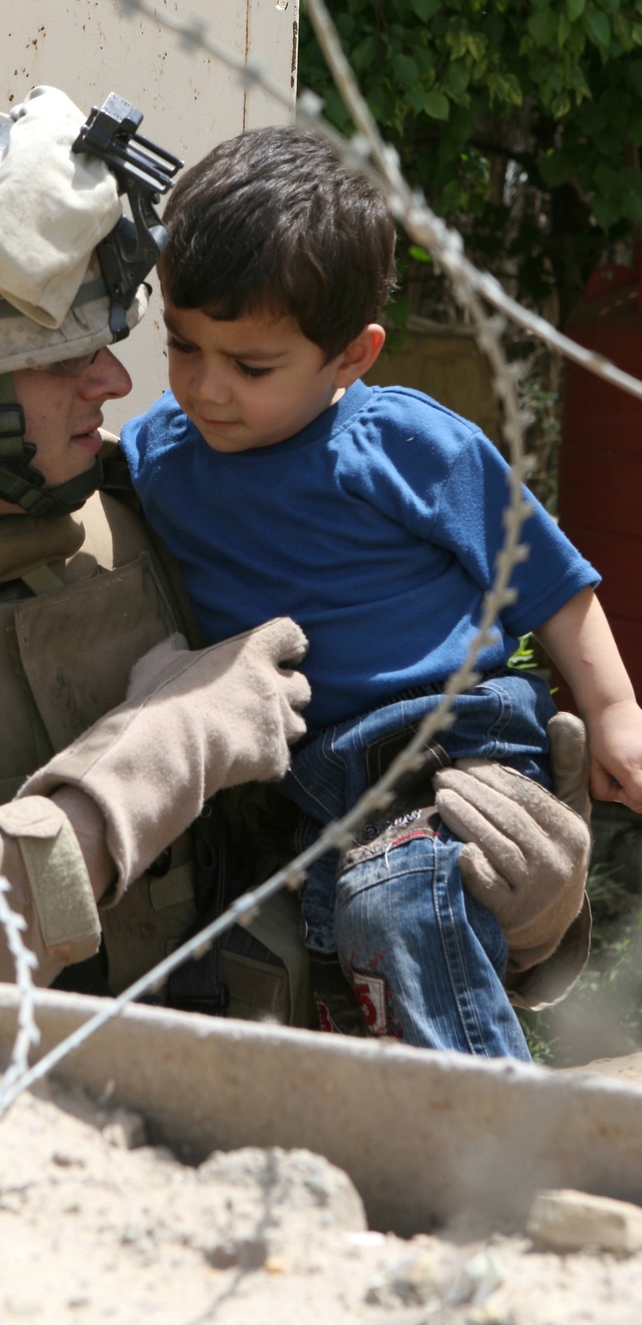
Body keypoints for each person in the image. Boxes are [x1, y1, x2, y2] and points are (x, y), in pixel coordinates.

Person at [0, 91, 591, 1033]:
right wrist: (139, 770)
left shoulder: (153, 517)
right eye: (62, 358)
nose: (119, 381)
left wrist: (510, 910)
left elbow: (321, 864)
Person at [121, 124, 638, 1056]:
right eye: (182, 346)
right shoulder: (159, 453)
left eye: (250, 366)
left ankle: (492, 1138)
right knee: (333, 952)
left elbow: (550, 582)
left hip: (449, 739)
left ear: (352, 357)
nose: (206, 388)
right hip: (309, 772)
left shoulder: (405, 444)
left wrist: (613, 713)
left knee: (397, 905)